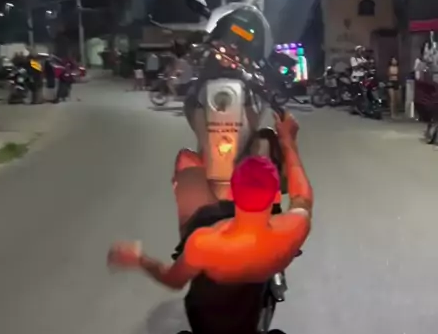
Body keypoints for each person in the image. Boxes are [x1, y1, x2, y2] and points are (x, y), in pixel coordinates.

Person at [108, 111, 313, 289]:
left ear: (233, 191)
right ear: (275, 193)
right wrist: (288, 141)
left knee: (187, 161)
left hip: (207, 311)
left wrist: (139, 259)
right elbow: (302, 197)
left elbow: (172, 280)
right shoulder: (295, 228)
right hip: (261, 276)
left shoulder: (202, 243)